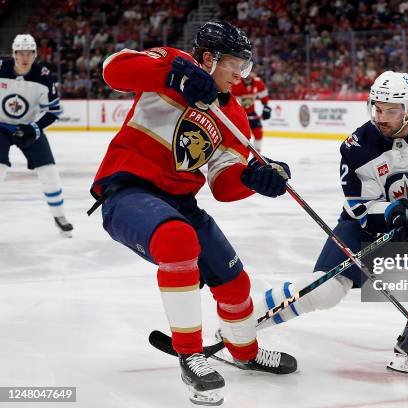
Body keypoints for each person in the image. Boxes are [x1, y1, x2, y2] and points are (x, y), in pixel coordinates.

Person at [241, 71, 408, 377]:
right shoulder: (357, 147)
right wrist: (393, 212)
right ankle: (243, 322)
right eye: (377, 108)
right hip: (366, 227)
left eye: (391, 111)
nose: (381, 117)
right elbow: (358, 207)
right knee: (326, 291)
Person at [89, 20, 297, 406]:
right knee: (177, 240)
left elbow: (222, 185)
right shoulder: (173, 61)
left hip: (182, 202)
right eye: (234, 64)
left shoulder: (233, 116)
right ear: (207, 57)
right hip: (128, 189)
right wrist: (171, 76)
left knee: (235, 282)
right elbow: (113, 69)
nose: (240, 74)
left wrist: (254, 179)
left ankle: (244, 352)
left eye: (244, 66)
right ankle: (191, 354)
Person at [0, 34, 72, 237]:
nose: (25, 57)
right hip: (1, 128)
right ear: (14, 54)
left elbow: (54, 112)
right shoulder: (0, 68)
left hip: (29, 128)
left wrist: (35, 128)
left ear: (35, 54)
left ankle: (59, 215)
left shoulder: (43, 75)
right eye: (21, 52)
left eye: (30, 52)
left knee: (49, 172)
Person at [231, 71, 271, 153]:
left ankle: (257, 154)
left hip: (251, 112)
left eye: (251, 72)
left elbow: (264, 96)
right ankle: (239, 153)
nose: (249, 75)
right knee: (241, 136)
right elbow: (234, 103)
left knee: (258, 132)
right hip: (239, 114)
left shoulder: (258, 82)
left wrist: (266, 107)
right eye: (246, 73)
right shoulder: (236, 85)